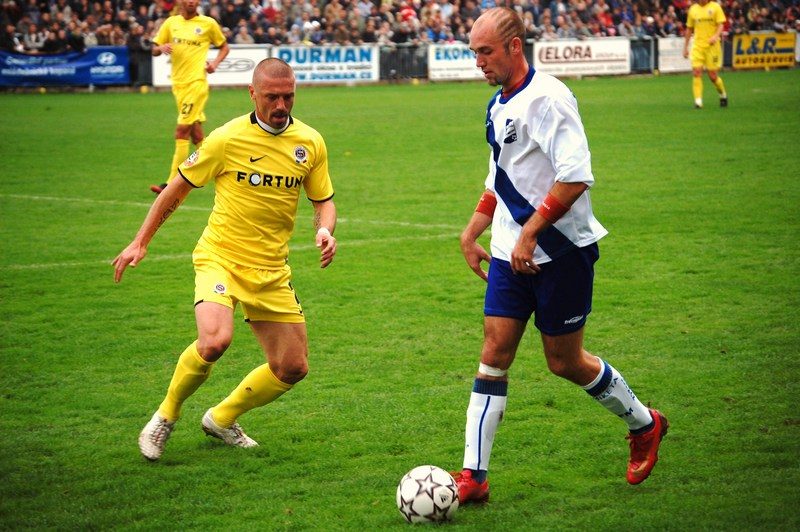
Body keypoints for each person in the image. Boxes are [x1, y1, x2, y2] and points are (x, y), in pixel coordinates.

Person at [453, 7, 668, 503]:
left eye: (485, 51)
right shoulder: (497, 105)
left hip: (561, 251)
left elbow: (575, 176)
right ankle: (474, 477)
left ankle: (644, 424)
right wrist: (472, 231)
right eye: (474, 53)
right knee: (493, 354)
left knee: (564, 361)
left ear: (514, 46)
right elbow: (499, 178)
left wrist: (531, 233)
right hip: (510, 252)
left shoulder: (549, 99)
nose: (478, 62)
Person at [113, 58, 338, 461]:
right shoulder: (226, 139)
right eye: (271, 97)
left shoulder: (310, 142)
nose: (281, 105)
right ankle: (165, 415)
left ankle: (221, 418)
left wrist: (325, 229)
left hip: (271, 269)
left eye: (288, 96)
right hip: (221, 257)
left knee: (292, 367)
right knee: (215, 340)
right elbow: (176, 189)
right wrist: (140, 241)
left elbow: (323, 200)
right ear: (252, 94)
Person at [148, 0, 229, 195]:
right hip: (178, 85)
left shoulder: (208, 23)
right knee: (197, 135)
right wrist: (161, 48)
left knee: (181, 131)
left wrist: (214, 64)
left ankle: (170, 184)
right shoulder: (171, 23)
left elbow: (224, 47)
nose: (192, 1)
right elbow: (154, 49)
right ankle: (221, 169)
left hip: (196, 84)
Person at [683, 0, 728, 109]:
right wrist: (685, 47)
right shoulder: (693, 9)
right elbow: (689, 29)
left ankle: (722, 94)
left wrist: (715, 36)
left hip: (712, 47)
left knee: (713, 76)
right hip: (698, 46)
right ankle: (698, 101)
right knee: (696, 72)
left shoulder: (715, 7)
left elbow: (721, 25)